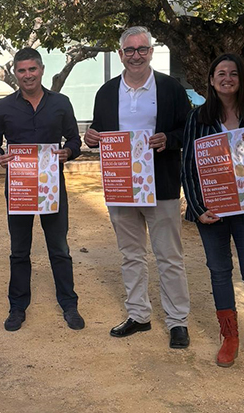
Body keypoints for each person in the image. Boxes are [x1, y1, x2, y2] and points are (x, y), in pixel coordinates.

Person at [85, 27, 192, 348]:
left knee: (169, 256)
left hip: (162, 184)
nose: (135, 55)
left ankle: (177, 321)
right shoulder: (106, 92)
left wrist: (169, 139)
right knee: (130, 254)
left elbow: (188, 129)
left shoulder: (170, 88)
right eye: (129, 50)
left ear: (151, 51)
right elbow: (99, 133)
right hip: (122, 186)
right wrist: (92, 138)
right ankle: (139, 315)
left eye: (141, 49)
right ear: (120, 54)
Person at [182, 52, 244, 374]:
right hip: (213, 211)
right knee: (219, 272)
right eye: (220, 73)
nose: (227, 78)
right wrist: (197, 209)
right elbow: (189, 169)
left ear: (241, 80)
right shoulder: (198, 118)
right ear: (211, 80)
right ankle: (230, 338)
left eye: (233, 73)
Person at [0, 47, 85, 332]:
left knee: (60, 249)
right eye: (21, 70)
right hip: (19, 187)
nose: (27, 75)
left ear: (41, 70)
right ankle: (17, 307)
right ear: (15, 73)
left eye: (32, 69)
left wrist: (69, 152)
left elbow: (75, 140)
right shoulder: (4, 106)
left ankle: (69, 304)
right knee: (19, 250)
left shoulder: (61, 102)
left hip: (53, 186)